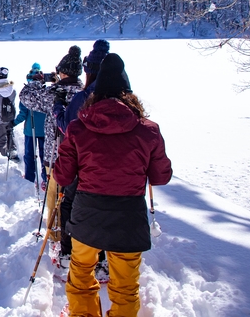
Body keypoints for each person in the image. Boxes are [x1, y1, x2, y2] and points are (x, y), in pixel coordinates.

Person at [53, 53, 172, 317]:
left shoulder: (78, 128)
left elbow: (62, 176)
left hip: (87, 215)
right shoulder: (148, 130)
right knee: (126, 286)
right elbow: (161, 176)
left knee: (81, 273)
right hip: (129, 218)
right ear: (128, 94)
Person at [53, 40, 110, 272]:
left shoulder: (85, 97)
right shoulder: (125, 97)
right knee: (105, 209)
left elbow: (68, 127)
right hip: (112, 166)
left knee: (71, 205)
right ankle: (103, 257)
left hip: (83, 164)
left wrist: (58, 108)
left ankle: (69, 252)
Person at [19, 46, 84, 241]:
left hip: (56, 157)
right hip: (83, 159)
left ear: (62, 72)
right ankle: (79, 240)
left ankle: (57, 237)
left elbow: (26, 97)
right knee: (78, 202)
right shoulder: (85, 94)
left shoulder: (55, 94)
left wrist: (38, 81)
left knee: (55, 199)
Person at [13, 64, 46, 182]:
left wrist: (13, 123)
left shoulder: (26, 95)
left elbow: (23, 114)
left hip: (30, 130)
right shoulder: (46, 92)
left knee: (29, 155)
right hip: (45, 130)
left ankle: (30, 177)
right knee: (44, 156)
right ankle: (46, 178)